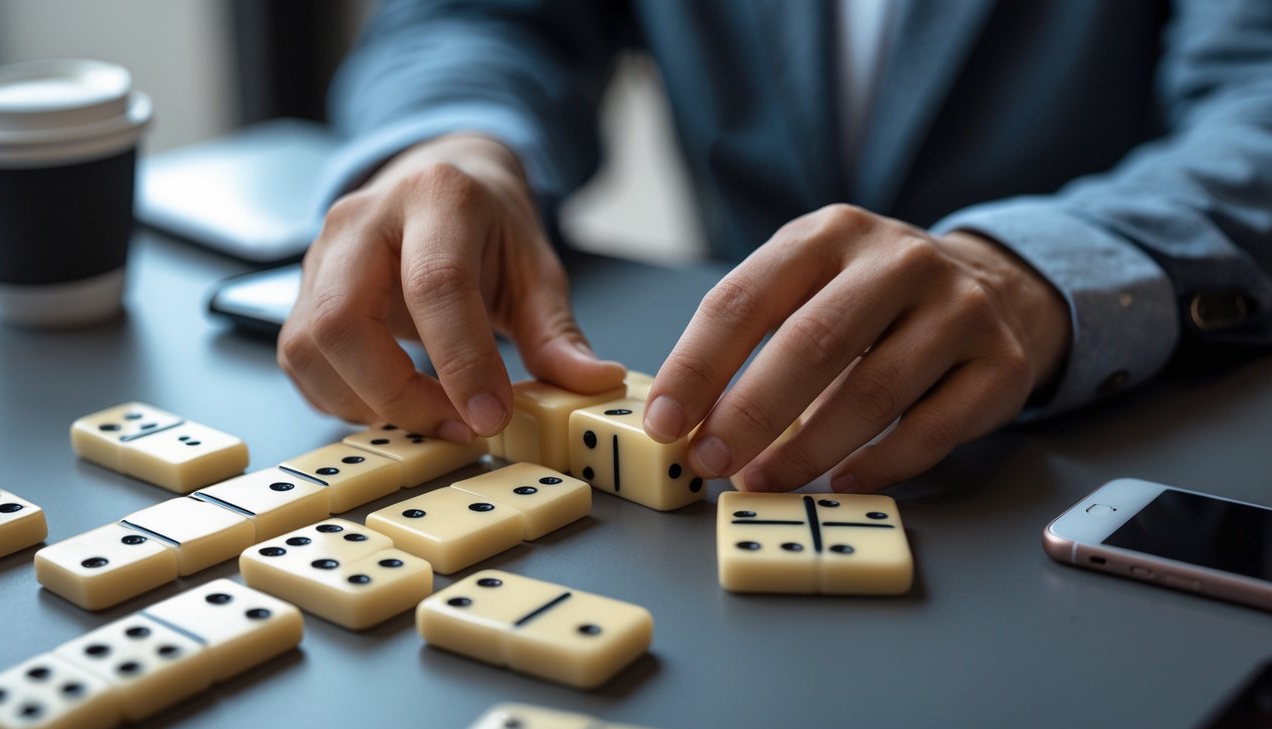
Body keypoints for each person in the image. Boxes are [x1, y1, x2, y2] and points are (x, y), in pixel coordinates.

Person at [278, 1, 1272, 494]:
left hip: (1099, 451)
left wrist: (1045, 265)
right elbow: (473, 17)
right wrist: (453, 142)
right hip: (744, 444)